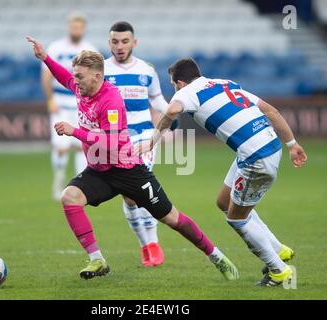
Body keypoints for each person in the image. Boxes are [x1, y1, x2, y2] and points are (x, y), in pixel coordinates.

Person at [27, 36, 239, 281]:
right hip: (100, 171)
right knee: (70, 197)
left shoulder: (111, 100)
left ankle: (215, 255)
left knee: (172, 218)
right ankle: (97, 259)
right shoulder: (81, 86)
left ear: (97, 76)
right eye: (75, 76)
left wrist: (75, 131)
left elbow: (114, 142)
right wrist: (45, 58)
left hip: (127, 169)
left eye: (80, 77)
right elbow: (64, 76)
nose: (75, 81)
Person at [136, 58, 308, 287]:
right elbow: (270, 110)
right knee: (224, 201)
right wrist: (292, 144)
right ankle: (279, 250)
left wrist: (152, 141)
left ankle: (279, 271)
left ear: (178, 82)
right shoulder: (225, 83)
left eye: (173, 85)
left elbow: (173, 109)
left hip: (256, 158)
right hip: (266, 146)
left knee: (237, 219)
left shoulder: (185, 92)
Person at [104, 21, 172, 267]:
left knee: (142, 190)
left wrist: (171, 116)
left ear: (134, 42)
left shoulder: (146, 70)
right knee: (129, 197)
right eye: (115, 41)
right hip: (114, 139)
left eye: (125, 41)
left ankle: (153, 244)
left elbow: (157, 99)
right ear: (109, 42)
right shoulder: (101, 70)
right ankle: (145, 244)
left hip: (144, 137)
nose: (120, 46)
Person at [41, 13, 97, 200]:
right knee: (61, 146)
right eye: (73, 26)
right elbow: (47, 75)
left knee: (82, 145)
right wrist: (50, 100)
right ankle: (58, 179)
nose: (76, 29)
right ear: (69, 27)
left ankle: (79, 184)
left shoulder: (90, 49)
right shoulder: (56, 47)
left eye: (79, 26)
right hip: (61, 102)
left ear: (84, 28)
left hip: (82, 103)